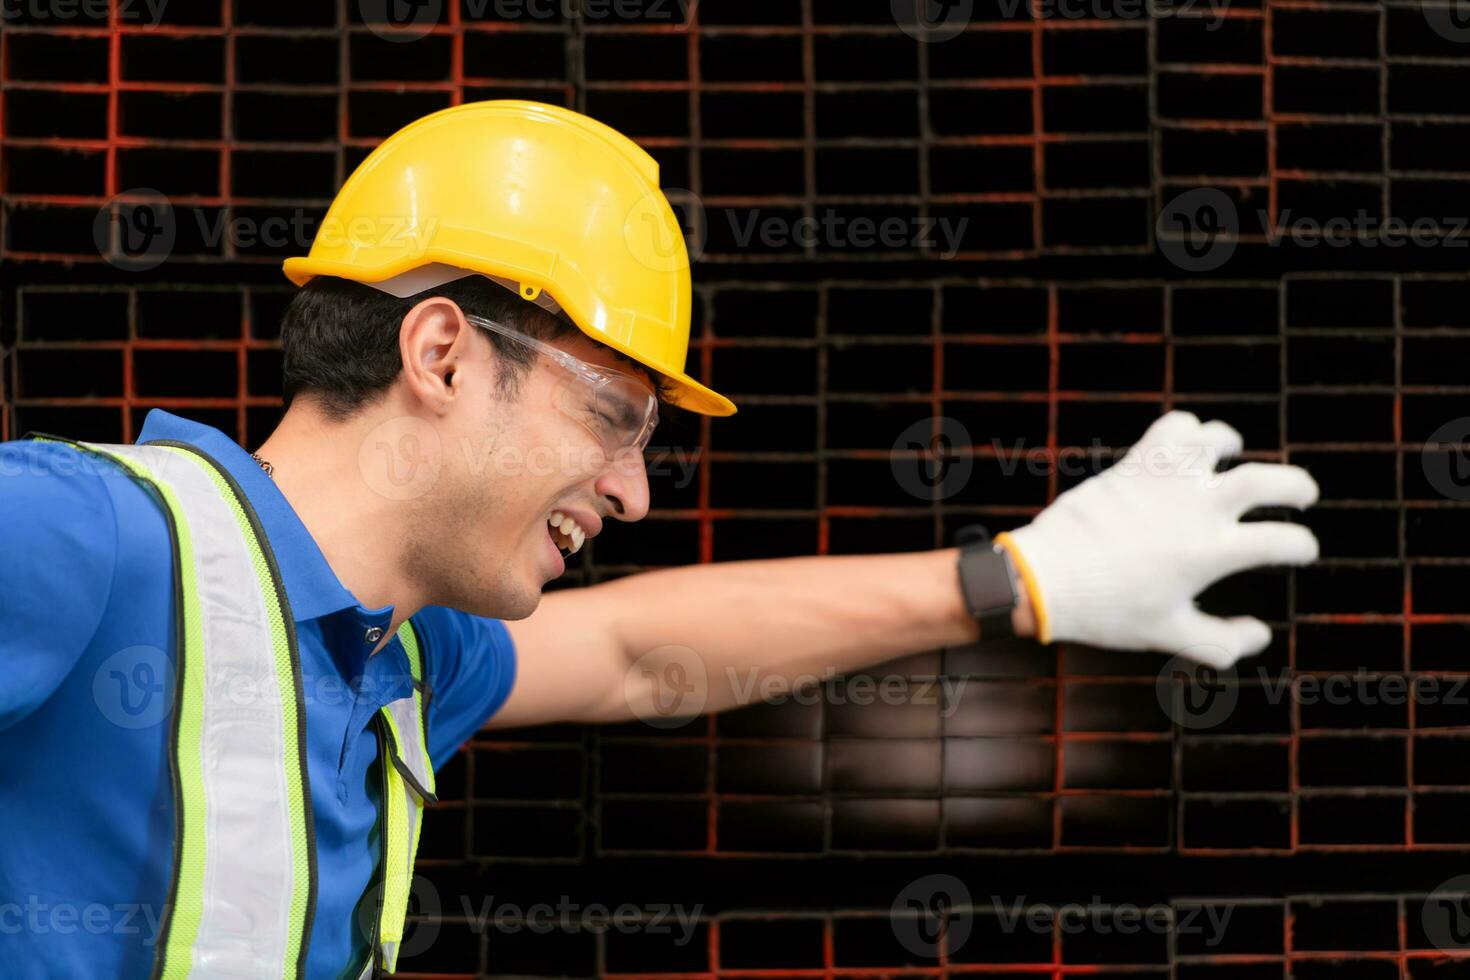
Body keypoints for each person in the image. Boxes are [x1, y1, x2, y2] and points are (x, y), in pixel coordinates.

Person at [0, 101, 1321, 978]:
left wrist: (1021, 578)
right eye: (613, 418)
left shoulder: (396, 659)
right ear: (444, 353)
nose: (633, 492)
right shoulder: (90, 538)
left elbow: (636, 651)